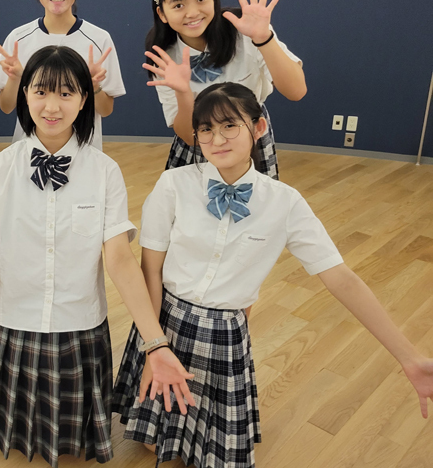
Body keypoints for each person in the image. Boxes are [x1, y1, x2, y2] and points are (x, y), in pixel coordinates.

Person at [0, 46, 195, 467]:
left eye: (66, 93)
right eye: (40, 92)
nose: (52, 106)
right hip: (12, 325)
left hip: (80, 330)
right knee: (21, 443)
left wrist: (156, 344)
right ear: (25, 95)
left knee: (73, 447)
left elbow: (119, 260)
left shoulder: (104, 171)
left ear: (84, 99)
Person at [112, 82, 433, 468]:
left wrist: (410, 357)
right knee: (154, 446)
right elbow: (150, 271)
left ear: (259, 127)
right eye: (206, 129)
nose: (217, 139)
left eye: (230, 125)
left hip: (224, 334)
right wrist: (154, 346)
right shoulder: (174, 184)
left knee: (210, 455)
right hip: (166, 321)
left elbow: (341, 278)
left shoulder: (285, 202)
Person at [146, 0, 306, 179]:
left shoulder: (246, 29)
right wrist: (183, 92)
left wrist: (263, 38)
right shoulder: (163, 55)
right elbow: (189, 136)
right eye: (178, 5)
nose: (192, 12)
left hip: (248, 135)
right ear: (162, 13)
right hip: (199, 144)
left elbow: (296, 91)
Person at [0, 0, 125, 150]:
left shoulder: (100, 39)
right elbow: (6, 107)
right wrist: (16, 78)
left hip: (84, 153)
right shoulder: (18, 39)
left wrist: (94, 86)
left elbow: (106, 110)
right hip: (28, 153)